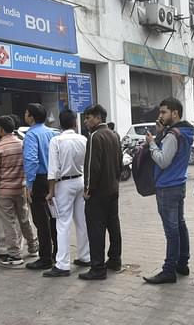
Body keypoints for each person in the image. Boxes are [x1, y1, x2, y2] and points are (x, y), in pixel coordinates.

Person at [143, 97, 194, 284]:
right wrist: (160, 133)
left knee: (171, 230)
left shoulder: (174, 134)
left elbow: (163, 160)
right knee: (179, 225)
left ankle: (169, 270)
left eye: (164, 112)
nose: (160, 115)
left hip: (167, 186)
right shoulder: (185, 131)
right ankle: (182, 263)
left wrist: (151, 143)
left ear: (175, 113)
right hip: (178, 183)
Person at [43, 109, 90, 277]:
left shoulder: (57, 140)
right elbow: (87, 162)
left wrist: (51, 191)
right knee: (81, 220)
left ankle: (62, 265)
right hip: (80, 180)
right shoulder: (83, 139)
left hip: (64, 184)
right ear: (74, 123)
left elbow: (53, 169)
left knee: (62, 223)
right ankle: (85, 256)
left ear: (60, 124)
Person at [79, 104, 122, 281]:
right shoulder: (113, 134)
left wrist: (88, 190)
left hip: (98, 193)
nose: (86, 121)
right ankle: (115, 260)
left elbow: (91, 167)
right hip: (113, 189)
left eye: (88, 117)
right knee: (113, 225)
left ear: (98, 118)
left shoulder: (95, 136)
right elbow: (120, 163)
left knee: (96, 229)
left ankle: (98, 267)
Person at [0, 116, 38, 266]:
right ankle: (33, 247)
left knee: (9, 222)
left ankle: (15, 255)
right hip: (20, 189)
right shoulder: (22, 144)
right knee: (24, 219)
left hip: (3, 191)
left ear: (1, 130)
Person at [22, 103, 58, 270]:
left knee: (41, 221)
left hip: (38, 179)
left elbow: (31, 160)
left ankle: (45, 258)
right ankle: (57, 254)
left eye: (26, 113)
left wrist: (29, 184)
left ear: (31, 117)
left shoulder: (31, 135)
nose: (25, 115)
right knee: (53, 218)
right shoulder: (51, 133)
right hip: (52, 178)